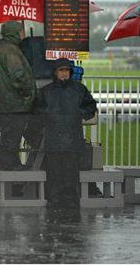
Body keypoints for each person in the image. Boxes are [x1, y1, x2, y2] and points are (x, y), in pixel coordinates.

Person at [36, 58, 97, 208]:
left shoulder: (79, 89)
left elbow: (91, 107)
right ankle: (55, 201)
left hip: (72, 140)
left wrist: (78, 113)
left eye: (66, 70)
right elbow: (36, 110)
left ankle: (71, 202)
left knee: (71, 174)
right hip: (54, 140)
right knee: (54, 174)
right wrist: (47, 115)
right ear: (55, 72)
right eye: (61, 70)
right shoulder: (46, 91)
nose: (64, 73)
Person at [0, 21, 36, 170]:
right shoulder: (11, 51)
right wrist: (27, 94)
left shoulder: (2, 49)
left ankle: (11, 165)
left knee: (9, 138)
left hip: (7, 104)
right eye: (21, 31)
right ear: (14, 32)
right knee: (12, 139)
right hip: (15, 104)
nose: (23, 34)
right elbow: (18, 75)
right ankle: (9, 167)